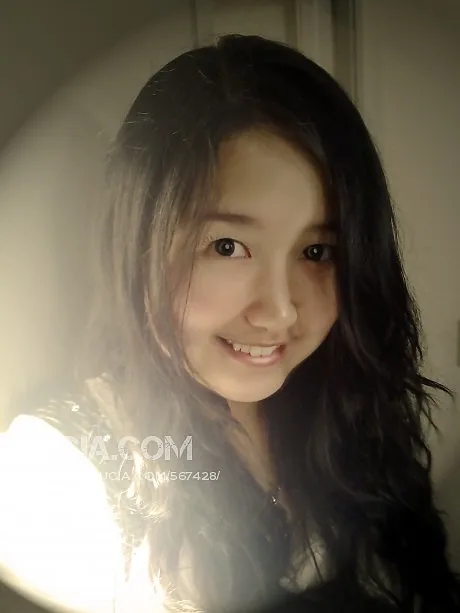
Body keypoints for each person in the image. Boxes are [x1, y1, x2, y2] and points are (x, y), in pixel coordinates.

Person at [0, 34, 459, 613]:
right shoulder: (59, 478)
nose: (280, 311)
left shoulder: (345, 404)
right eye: (227, 246)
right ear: (136, 244)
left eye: (316, 252)